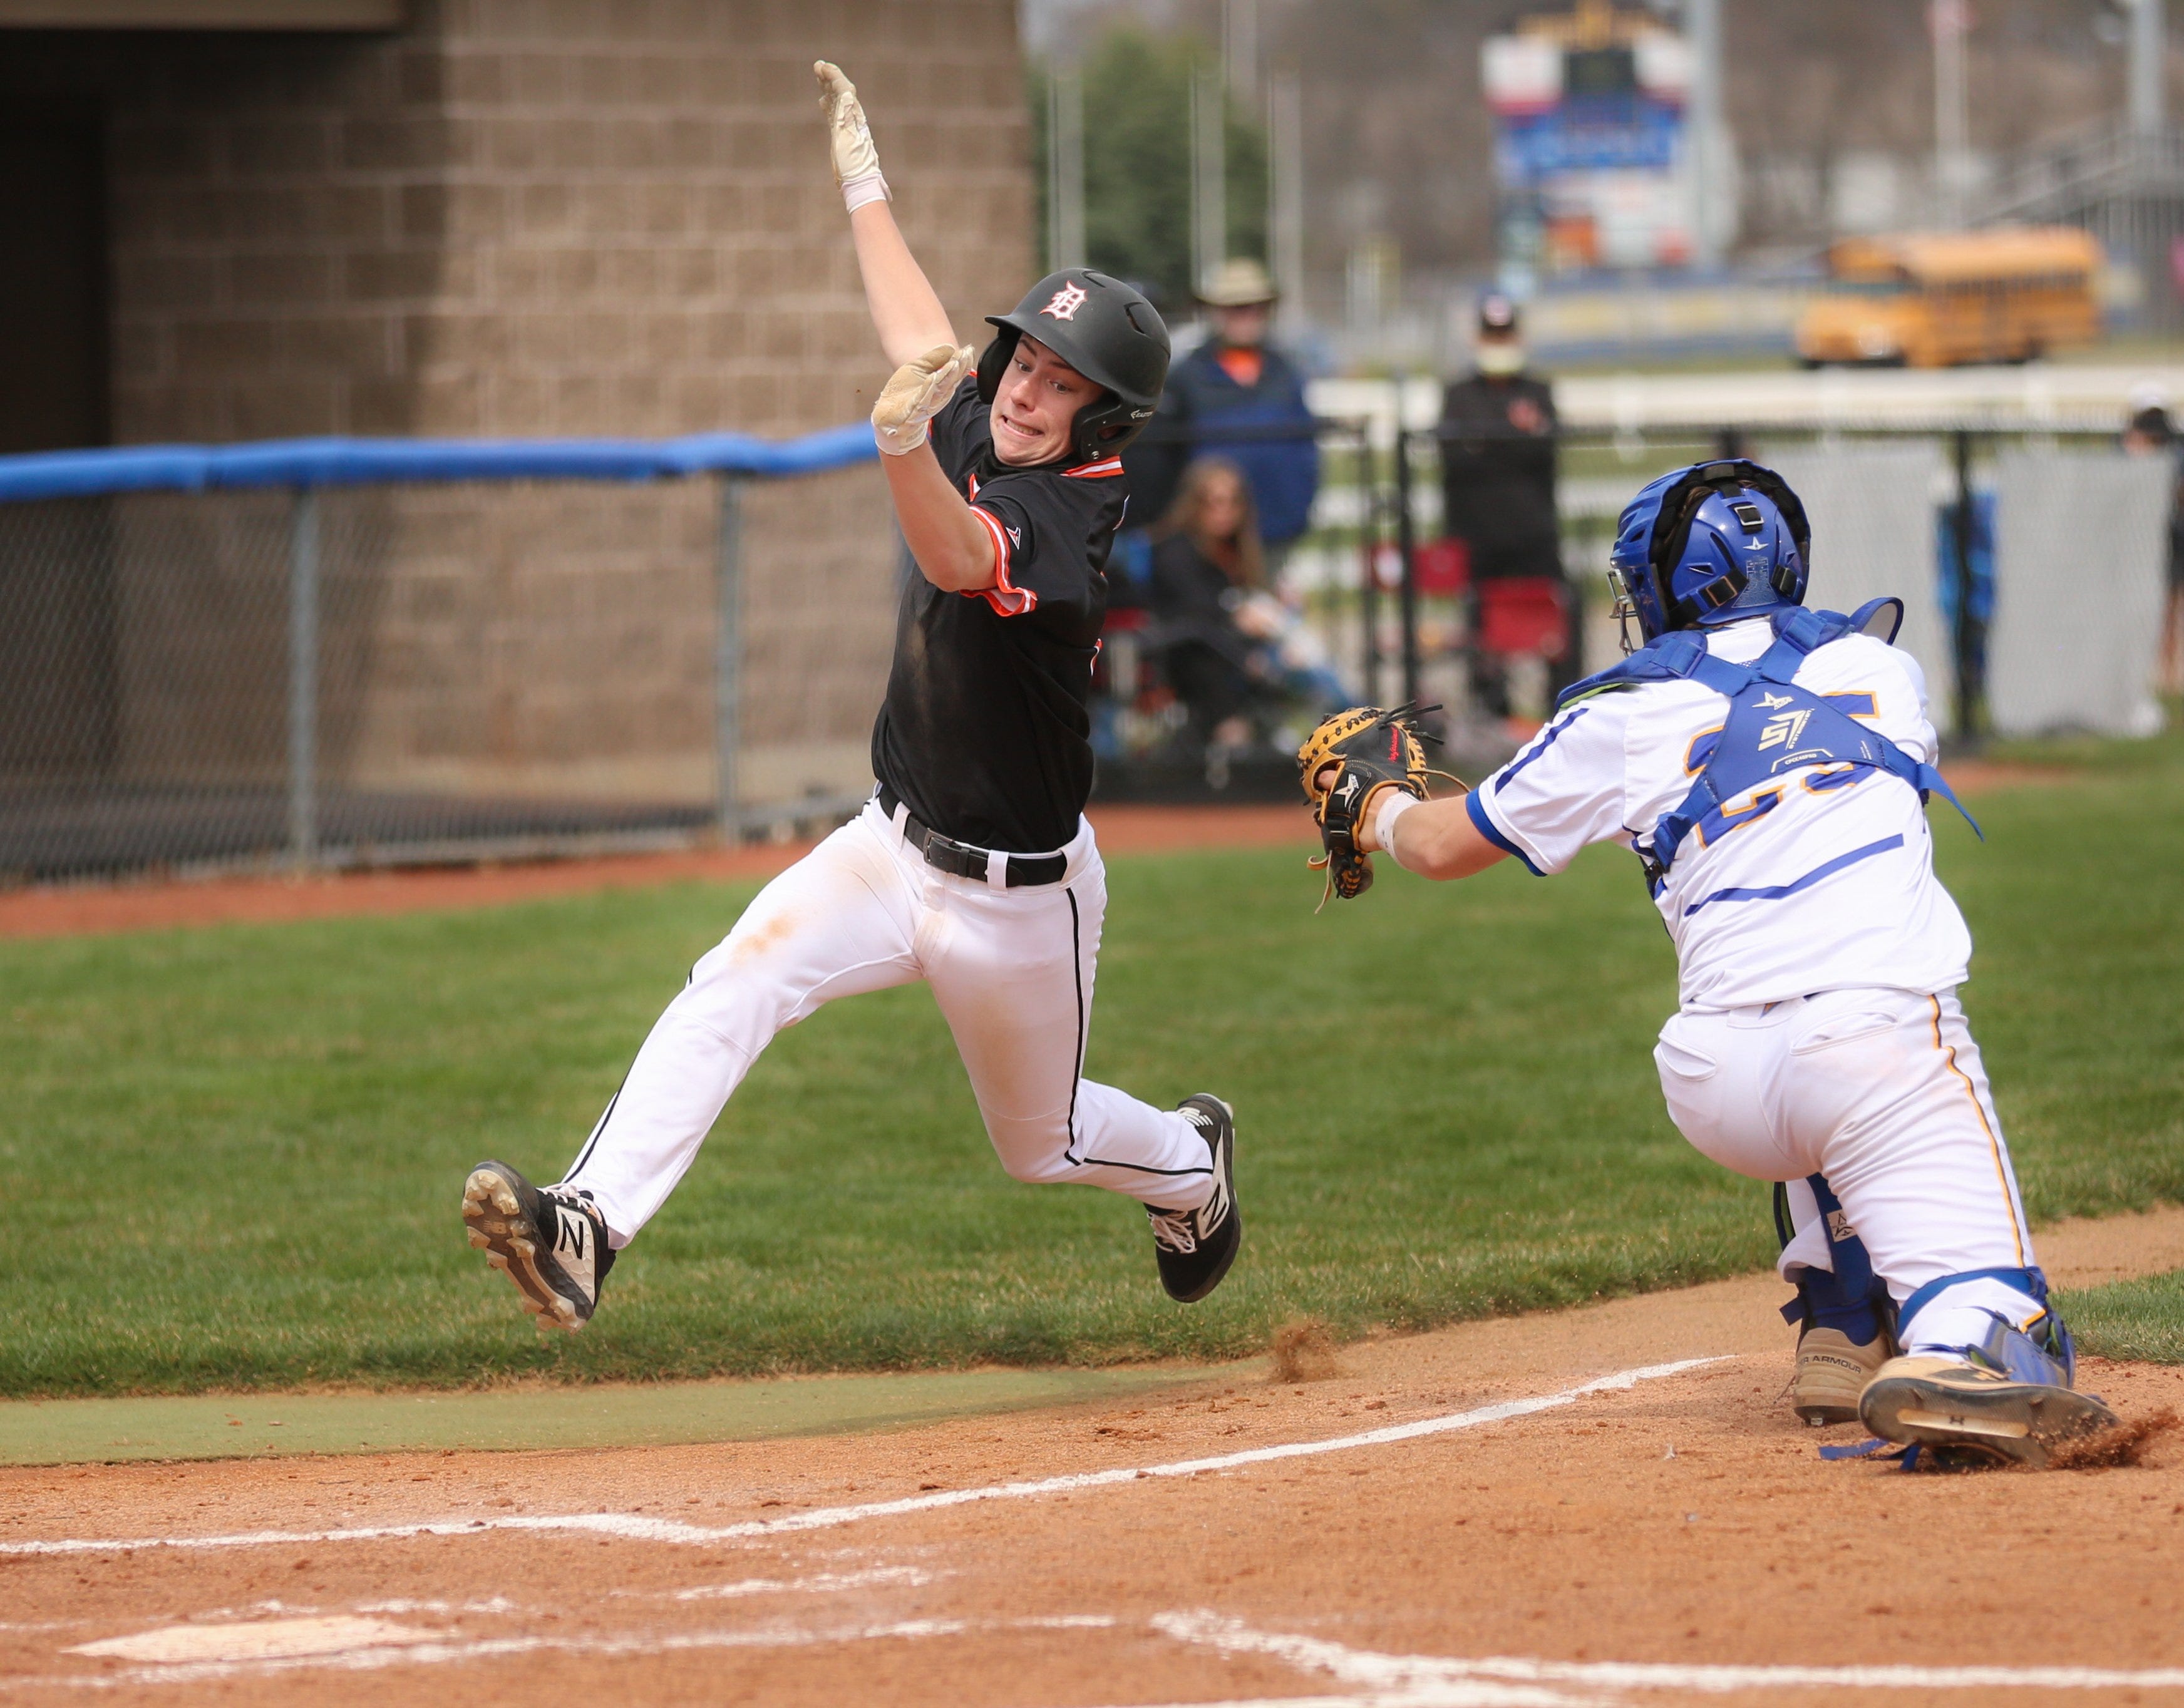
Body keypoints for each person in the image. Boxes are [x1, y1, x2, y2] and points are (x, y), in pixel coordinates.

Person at [460, 61, 1241, 1332]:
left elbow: (959, 554)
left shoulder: (1070, 516)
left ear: (1106, 419)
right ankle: (589, 1221)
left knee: (1039, 1143)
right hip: (890, 844)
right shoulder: (991, 421)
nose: (1024, 387)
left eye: (1061, 381)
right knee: (735, 976)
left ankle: (1192, 1166)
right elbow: (919, 342)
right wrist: (863, 183)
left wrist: (896, 445)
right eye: (1026, 359)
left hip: (1019, 901)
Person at [1301, 459, 2120, 1469]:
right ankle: (1957, 1339)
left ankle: (1840, 1318)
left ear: (1658, 587)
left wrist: (1374, 802)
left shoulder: (1612, 718)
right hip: (1876, 1046)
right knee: (2006, 1325)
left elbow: (1435, 846)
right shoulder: (1881, 669)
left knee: (1827, 1091)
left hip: (1716, 1080)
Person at [1127, 259, 1319, 572]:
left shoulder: (1287, 373)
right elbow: (1165, 459)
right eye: (1234, 308)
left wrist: (1300, 507)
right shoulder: (1186, 377)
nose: (1245, 316)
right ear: (1214, 312)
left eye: (1254, 307)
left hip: (1278, 530)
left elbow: (1306, 449)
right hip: (1207, 540)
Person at [1147, 458, 1347, 754]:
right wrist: (1239, 622)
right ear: (1193, 504)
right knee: (1303, 663)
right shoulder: (1176, 550)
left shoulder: (1237, 552)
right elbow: (1195, 614)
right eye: (1212, 502)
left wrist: (1274, 608)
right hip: (1201, 657)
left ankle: (1349, 728)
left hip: (1244, 649)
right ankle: (1354, 728)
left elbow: (1246, 603)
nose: (1224, 511)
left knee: (1301, 648)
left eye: (1233, 502)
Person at [1438, 292, 1571, 713]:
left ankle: (1560, 707)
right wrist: (1512, 437)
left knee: (1555, 624)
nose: (1499, 344)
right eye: (1492, 336)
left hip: (1533, 535)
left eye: (1505, 335)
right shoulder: (1459, 395)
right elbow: (1456, 456)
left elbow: (1544, 451)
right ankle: (1491, 712)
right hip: (1478, 537)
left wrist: (1488, 442)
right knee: (1482, 633)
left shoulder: (1537, 391)